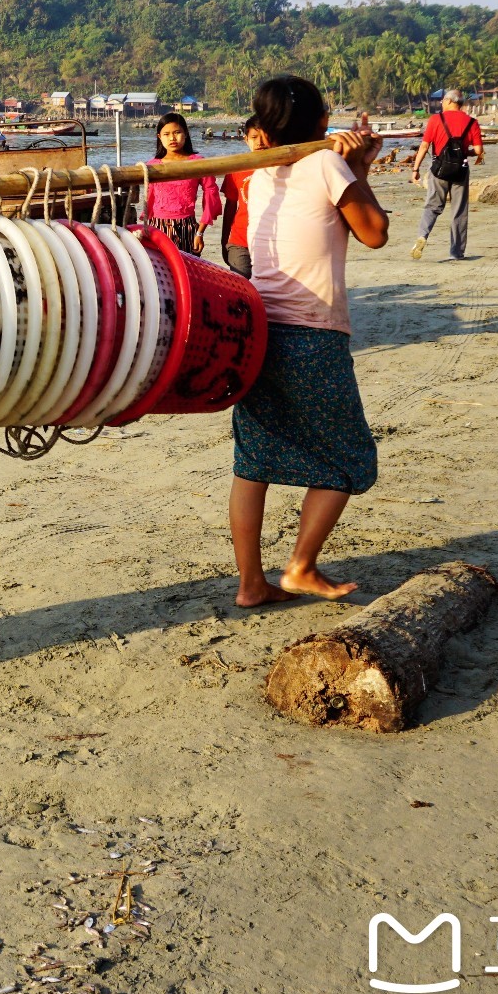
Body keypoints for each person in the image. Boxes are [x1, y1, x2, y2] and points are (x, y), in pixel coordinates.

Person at [231, 75, 388, 608]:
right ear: (320, 120)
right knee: (348, 458)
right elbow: (374, 231)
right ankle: (299, 567)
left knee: (253, 461)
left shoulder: (257, 171)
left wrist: (353, 164)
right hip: (312, 333)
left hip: (256, 333)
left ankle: (251, 584)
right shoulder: (324, 162)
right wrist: (356, 168)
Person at [408, 89, 482, 261]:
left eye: (442, 100)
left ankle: (422, 236)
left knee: (432, 207)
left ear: (449, 101)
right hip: (460, 171)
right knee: (459, 212)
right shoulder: (472, 122)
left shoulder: (436, 119)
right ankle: (456, 253)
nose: (441, 103)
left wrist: (415, 170)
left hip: (439, 170)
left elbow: (425, 146)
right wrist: (464, 152)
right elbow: (478, 151)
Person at [141, 111, 220, 256]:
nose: (172, 138)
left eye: (177, 132)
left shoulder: (198, 163)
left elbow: (211, 194)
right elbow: (148, 201)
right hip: (157, 227)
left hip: (187, 226)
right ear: (159, 137)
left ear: (186, 134)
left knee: (187, 273)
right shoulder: (152, 166)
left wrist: (200, 232)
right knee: (160, 274)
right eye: (166, 134)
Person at [218, 115, 270, 277]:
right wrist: (224, 240)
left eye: (264, 137)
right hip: (240, 240)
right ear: (246, 139)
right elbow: (230, 208)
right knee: (242, 289)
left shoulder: (281, 168)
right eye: (254, 137)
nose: (260, 142)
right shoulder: (238, 168)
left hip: (270, 242)